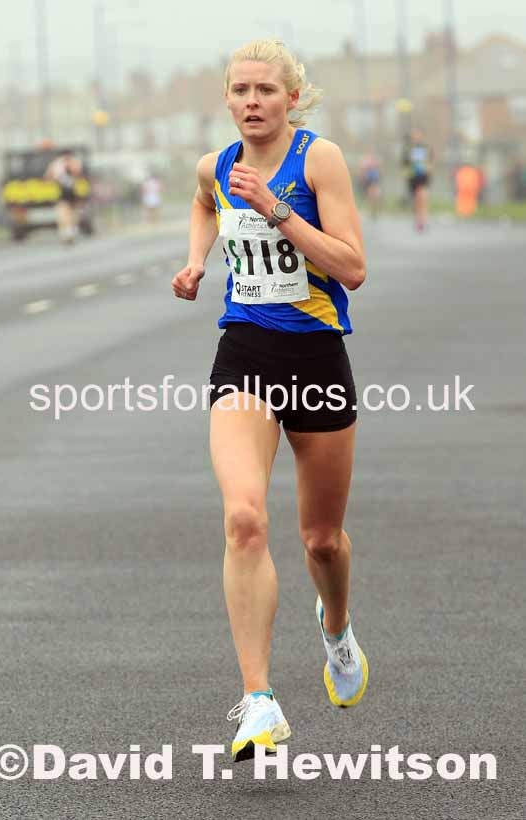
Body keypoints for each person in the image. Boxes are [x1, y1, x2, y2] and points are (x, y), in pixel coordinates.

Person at [171, 39, 368, 763]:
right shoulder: (216, 166)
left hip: (315, 358)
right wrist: (196, 260)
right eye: (240, 90)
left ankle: (336, 627)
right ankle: (258, 699)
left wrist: (276, 209)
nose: (251, 102)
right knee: (244, 518)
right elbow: (204, 202)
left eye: (265, 90)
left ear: (291, 98)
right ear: (227, 98)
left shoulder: (319, 161)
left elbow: (353, 266)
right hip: (245, 356)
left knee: (321, 539)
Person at [45, 150, 83, 243]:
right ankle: (67, 231)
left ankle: (70, 230)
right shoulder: (57, 164)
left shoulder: (73, 162)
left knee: (72, 212)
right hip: (63, 190)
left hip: (71, 190)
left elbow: (77, 173)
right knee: (64, 211)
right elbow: (48, 176)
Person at [403, 129, 433, 231]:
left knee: (423, 198)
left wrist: (429, 170)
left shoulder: (425, 147)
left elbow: (431, 160)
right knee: (416, 201)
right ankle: (417, 220)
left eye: (418, 135)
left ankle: (424, 221)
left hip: (423, 176)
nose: (416, 137)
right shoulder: (408, 149)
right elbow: (404, 163)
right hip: (413, 178)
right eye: (414, 136)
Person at [358, 150, 382, 219]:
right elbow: (362, 170)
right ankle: (371, 210)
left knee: (373, 196)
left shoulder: (375, 162)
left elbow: (379, 170)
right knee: (370, 196)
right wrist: (362, 178)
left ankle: (373, 211)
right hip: (368, 181)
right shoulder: (365, 162)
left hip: (374, 180)